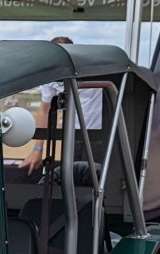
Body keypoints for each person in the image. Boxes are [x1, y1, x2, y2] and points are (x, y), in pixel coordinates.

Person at [18, 36, 103, 177]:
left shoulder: (93, 71)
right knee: (72, 177)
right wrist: (38, 149)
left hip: (99, 136)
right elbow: (44, 110)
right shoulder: (51, 77)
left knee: (97, 176)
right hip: (71, 136)